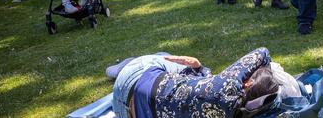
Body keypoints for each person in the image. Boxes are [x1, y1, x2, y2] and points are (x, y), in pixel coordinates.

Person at [108, 48, 298, 118]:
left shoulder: (229, 85)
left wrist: (268, 68)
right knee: (187, 67)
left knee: (163, 57)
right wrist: (200, 69)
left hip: (130, 83)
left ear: (248, 84)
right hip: (125, 112)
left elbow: (262, 52)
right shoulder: (239, 110)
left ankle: (123, 67)